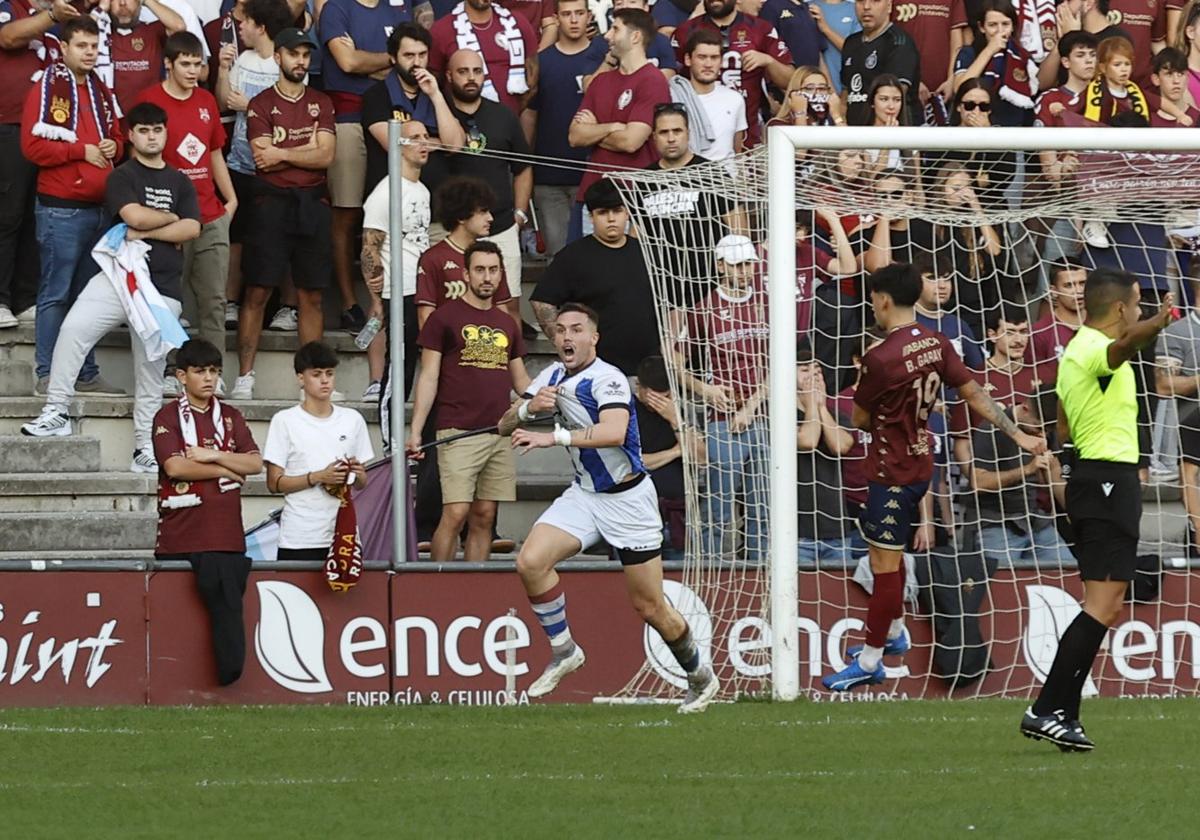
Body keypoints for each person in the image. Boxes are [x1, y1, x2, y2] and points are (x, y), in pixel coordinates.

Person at [822, 262, 1045, 692]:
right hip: (924, 463)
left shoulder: (878, 358)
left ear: (883, 299)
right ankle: (895, 631)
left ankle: (871, 659)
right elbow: (974, 392)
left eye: (872, 299)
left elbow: (862, 418)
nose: (872, 305)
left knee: (885, 567)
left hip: (892, 471)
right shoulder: (938, 342)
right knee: (883, 556)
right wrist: (1018, 433)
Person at [498, 302, 721, 713]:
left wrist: (555, 437)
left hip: (629, 501)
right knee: (530, 562)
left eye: (577, 329)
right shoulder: (551, 376)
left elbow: (615, 430)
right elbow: (504, 424)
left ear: (593, 338)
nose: (567, 337)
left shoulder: (609, 379)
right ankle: (565, 651)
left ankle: (700, 676)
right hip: (585, 496)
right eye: (561, 330)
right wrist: (530, 408)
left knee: (650, 607)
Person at [1021, 269, 1173, 750]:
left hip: (1099, 480)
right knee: (1102, 606)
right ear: (1123, 308)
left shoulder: (1075, 353)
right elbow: (1121, 348)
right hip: (1106, 480)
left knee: (1105, 605)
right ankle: (1046, 709)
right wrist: (1163, 319)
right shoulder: (1093, 348)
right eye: (1138, 303)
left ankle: (1061, 712)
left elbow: (1064, 425)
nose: (1139, 310)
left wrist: (1071, 473)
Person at [21, 100, 201, 476]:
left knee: (151, 370)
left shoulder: (180, 180)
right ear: (132, 136)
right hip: (119, 276)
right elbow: (134, 215)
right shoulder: (122, 175)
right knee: (73, 329)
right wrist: (168, 219)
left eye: (157, 130)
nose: (152, 136)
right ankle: (57, 410)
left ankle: (145, 448)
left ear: (166, 133)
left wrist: (146, 230)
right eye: (144, 130)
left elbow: (193, 229)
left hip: (162, 285)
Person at [406, 241, 530, 561]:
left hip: (498, 432)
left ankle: (474, 588)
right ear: (466, 274)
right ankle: (437, 587)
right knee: (456, 512)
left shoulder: (507, 324)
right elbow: (428, 377)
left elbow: (521, 382)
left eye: (492, 270)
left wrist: (548, 395)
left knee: (484, 516)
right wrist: (417, 430)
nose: (486, 277)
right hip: (456, 431)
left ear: (501, 274)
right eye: (479, 270)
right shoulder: (443, 318)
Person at [21, 15, 125, 397]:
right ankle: (48, 373)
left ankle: (85, 373)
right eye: (81, 46)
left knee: (89, 298)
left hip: (98, 208)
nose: (90, 53)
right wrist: (83, 150)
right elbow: (31, 148)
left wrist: (116, 144)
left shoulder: (100, 89)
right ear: (62, 48)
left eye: (95, 46)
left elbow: (115, 134)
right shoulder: (45, 87)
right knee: (56, 293)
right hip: (60, 209)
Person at [231, 27, 335, 400]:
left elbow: (326, 156)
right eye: (294, 54)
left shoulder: (321, 101)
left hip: (312, 203)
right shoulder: (260, 104)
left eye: (306, 55)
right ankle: (245, 377)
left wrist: (284, 150)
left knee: (312, 295)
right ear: (278, 57)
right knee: (257, 290)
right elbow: (262, 160)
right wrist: (305, 144)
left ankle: (312, 381)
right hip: (270, 204)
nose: (301, 61)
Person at [153, 337, 262, 686]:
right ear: (182, 376)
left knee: (228, 615)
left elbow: (256, 463)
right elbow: (176, 468)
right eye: (200, 371)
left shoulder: (230, 415)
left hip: (226, 538)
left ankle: (227, 679)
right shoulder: (167, 415)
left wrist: (213, 456)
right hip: (180, 537)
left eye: (214, 371)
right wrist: (227, 470)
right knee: (176, 617)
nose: (209, 378)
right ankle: (171, 681)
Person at [135, 31, 237, 372]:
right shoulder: (149, 102)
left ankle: (212, 372)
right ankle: (168, 369)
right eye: (186, 64)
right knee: (167, 302)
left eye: (198, 64)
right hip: (168, 220)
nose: (193, 71)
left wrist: (231, 199)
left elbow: (213, 152)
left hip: (210, 214)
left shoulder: (207, 101)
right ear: (168, 64)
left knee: (214, 301)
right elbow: (139, 162)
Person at [320, 0, 413, 335]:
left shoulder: (397, 8)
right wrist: (389, 60)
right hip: (347, 117)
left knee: (396, 208)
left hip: (393, 113)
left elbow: (408, 63)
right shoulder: (337, 8)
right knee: (346, 212)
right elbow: (348, 61)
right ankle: (348, 302)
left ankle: (396, 295)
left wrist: (368, 62)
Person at [677, 234, 771, 564]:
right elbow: (675, 363)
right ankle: (713, 571)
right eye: (737, 265)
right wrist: (706, 390)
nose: (745, 271)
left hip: (761, 416)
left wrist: (751, 406)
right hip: (721, 420)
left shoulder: (766, 303)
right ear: (720, 266)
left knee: (763, 509)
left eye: (748, 264)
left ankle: (761, 571)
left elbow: (778, 364)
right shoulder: (704, 309)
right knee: (720, 506)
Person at [214, 0, 295, 332]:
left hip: (277, 167)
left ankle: (288, 307)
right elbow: (223, 103)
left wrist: (252, 106)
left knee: (283, 238)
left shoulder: (284, 60)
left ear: (260, 26)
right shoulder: (242, 59)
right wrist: (221, 71)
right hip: (240, 163)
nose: (240, 27)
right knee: (237, 237)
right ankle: (230, 303)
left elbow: (291, 112)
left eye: (245, 22)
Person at [435, 48, 532, 311]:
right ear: (449, 75)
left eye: (477, 71)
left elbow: (523, 168)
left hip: (500, 225)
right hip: (450, 230)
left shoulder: (503, 115)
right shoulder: (436, 113)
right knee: (450, 306)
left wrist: (520, 215)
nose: (470, 78)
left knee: (509, 305)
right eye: (463, 71)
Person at [530, 179, 660, 375]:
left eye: (617, 211)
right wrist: (567, 342)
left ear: (627, 213)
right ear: (591, 216)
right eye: (602, 212)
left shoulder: (648, 253)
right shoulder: (573, 256)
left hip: (648, 369)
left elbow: (671, 305)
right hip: (595, 371)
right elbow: (542, 302)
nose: (611, 218)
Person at [263, 341, 375, 561]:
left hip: (345, 534)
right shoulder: (285, 420)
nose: (325, 380)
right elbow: (273, 483)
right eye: (316, 374)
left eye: (329, 373)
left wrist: (358, 474)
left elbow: (362, 482)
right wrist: (317, 477)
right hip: (299, 536)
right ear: (300, 378)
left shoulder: (352, 419)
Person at [0, 0, 70, 331]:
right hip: (8, 126)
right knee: (7, 215)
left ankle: (25, 298)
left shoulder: (59, 23)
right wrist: (52, 16)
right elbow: (8, 37)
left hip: (45, 134)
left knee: (34, 218)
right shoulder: (9, 6)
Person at [634, 103, 747, 307]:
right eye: (664, 132)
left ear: (688, 133)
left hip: (708, 282)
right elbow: (637, 233)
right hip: (661, 283)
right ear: (654, 137)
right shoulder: (644, 180)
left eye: (677, 131)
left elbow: (738, 227)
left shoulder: (712, 173)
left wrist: (735, 271)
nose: (671, 138)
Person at [568, 7, 668, 237]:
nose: (607, 36)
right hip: (593, 196)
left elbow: (631, 141)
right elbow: (574, 136)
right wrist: (612, 127)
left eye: (615, 29)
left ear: (635, 36)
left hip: (633, 199)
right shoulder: (601, 80)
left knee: (630, 270)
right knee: (592, 269)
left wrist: (593, 131)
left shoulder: (652, 80)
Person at [361, 118, 431, 405]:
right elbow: (369, 248)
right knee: (398, 367)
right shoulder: (386, 191)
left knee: (413, 362)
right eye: (415, 137)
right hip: (397, 291)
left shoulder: (422, 190)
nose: (423, 143)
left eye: (426, 136)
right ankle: (392, 442)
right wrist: (377, 299)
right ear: (398, 146)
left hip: (420, 288)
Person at [527, 0, 605, 255]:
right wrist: (526, 163)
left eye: (579, 13)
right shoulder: (542, 61)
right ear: (556, 18)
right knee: (558, 259)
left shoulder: (604, 57)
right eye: (567, 14)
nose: (573, 20)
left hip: (594, 175)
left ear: (589, 16)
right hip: (550, 177)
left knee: (597, 258)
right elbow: (530, 113)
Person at [360, 22, 465, 196]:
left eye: (422, 54)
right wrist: (438, 143)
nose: (417, 63)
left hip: (438, 200)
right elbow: (398, 146)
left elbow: (454, 145)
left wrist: (435, 95)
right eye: (409, 55)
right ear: (393, 58)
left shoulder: (438, 90)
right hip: (394, 199)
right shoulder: (377, 95)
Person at [670, 0, 793, 148]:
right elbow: (672, 82)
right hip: (697, 130)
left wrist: (769, 61)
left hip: (749, 130)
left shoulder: (761, 28)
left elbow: (790, 80)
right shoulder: (685, 31)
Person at [416, 176, 515, 328]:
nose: (490, 218)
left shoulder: (490, 256)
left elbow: (501, 308)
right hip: (450, 348)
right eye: (483, 212)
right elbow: (425, 315)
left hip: (486, 346)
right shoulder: (433, 258)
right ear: (462, 216)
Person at [795, 347, 863, 566]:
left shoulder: (834, 415)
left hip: (836, 531)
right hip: (796, 533)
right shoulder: (778, 412)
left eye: (818, 372)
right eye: (805, 371)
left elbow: (842, 445)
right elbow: (808, 440)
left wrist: (822, 407)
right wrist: (811, 407)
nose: (813, 377)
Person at [429, 0, 539, 115]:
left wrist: (510, 117)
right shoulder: (441, 30)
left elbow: (532, 81)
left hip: (512, 122)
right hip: (462, 122)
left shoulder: (517, 22)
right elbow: (435, 83)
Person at [633, 354, 691, 561]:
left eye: (664, 395)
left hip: (676, 516)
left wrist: (675, 419)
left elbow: (700, 457)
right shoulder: (625, 411)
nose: (660, 402)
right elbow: (633, 463)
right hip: (637, 516)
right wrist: (676, 452)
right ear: (639, 386)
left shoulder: (675, 410)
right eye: (653, 395)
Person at [950, 0, 1037, 126]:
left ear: (1013, 26)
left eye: (1005, 24)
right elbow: (959, 88)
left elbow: (1039, 85)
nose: (1000, 31)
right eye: (993, 25)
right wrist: (990, 50)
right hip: (974, 125)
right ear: (981, 27)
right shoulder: (969, 52)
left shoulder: (1022, 56)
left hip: (1013, 130)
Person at [668, 27, 748, 160]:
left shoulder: (735, 99)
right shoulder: (672, 97)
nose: (708, 64)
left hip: (726, 177)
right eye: (702, 57)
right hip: (685, 176)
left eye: (714, 57)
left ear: (721, 61)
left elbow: (737, 149)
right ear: (688, 59)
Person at [839, 0, 920, 126]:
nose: (866, 6)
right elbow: (845, 95)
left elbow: (894, 96)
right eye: (860, 1)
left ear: (889, 6)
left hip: (892, 135)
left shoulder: (898, 42)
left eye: (875, 1)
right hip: (856, 135)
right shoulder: (851, 43)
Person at [101, 0, 188, 110]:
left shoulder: (152, 31)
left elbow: (179, 27)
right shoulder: (100, 34)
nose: (122, 3)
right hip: (111, 118)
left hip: (150, 119)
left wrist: (147, 1)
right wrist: (100, 9)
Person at [582, 0, 678, 83]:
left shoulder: (661, 41)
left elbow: (666, 82)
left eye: (632, 2)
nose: (626, 7)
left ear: (646, 7)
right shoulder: (601, 42)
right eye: (619, 3)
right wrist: (609, 62)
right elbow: (589, 88)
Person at [1027, 259, 1087, 373]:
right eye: (1069, 285)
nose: (1078, 291)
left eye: (1082, 283)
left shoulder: (1102, 322)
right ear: (1053, 291)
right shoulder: (1039, 332)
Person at [767, 64, 846, 128]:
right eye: (809, 88)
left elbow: (850, 146)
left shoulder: (831, 123)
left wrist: (837, 116)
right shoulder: (777, 124)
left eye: (822, 88)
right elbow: (802, 147)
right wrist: (800, 114)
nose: (817, 93)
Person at [810, 0, 859, 93]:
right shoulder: (808, 7)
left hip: (849, 89)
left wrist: (825, 29)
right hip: (814, 89)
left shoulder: (856, 9)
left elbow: (857, 53)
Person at [1150, 46, 1200, 125]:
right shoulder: (1147, 119)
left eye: (1181, 74)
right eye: (1169, 74)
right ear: (1156, 79)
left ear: (1187, 78)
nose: (1176, 81)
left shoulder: (1197, 119)